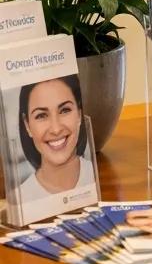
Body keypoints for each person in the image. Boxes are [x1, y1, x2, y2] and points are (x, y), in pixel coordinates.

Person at [17, 74, 94, 202]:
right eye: (41, 115)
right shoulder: (20, 200)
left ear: (79, 114)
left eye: (64, 110)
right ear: (27, 125)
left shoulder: (100, 179)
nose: (56, 129)